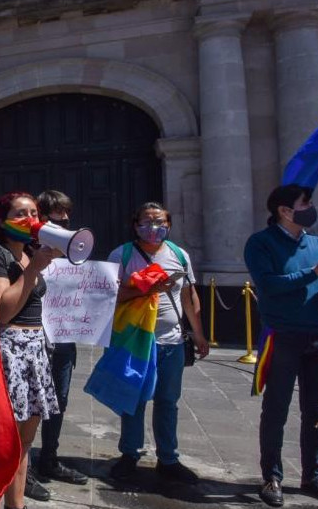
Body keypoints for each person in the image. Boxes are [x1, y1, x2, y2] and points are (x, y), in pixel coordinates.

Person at [244, 185, 318, 508]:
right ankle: (272, 476)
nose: (311, 207)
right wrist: (313, 272)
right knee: (276, 408)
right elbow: (269, 286)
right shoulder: (260, 243)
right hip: (283, 335)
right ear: (284, 211)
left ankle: (313, 476)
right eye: (304, 203)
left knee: (317, 411)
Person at [106, 202, 209, 484]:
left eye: (160, 221)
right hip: (135, 339)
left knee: (168, 401)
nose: (153, 228)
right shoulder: (122, 255)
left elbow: (188, 296)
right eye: (147, 222)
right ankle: (130, 454)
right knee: (134, 399)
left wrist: (198, 332)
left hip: (171, 341)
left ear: (169, 224)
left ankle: (168, 458)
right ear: (135, 224)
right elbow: (110, 296)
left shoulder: (179, 254)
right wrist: (145, 289)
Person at [0, 192, 60, 507]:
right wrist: (33, 270)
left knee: (24, 441)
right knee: (2, 442)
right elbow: (3, 310)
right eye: (21, 213)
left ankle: (16, 504)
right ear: (2, 221)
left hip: (33, 350)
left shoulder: (29, 252)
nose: (30, 218)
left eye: (34, 212)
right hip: (10, 349)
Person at [27, 190, 88, 487]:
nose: (63, 222)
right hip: (34, 339)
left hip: (63, 340)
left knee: (58, 401)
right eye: (55, 216)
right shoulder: (24, 251)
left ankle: (49, 458)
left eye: (66, 216)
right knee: (28, 406)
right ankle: (22, 470)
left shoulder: (74, 255)